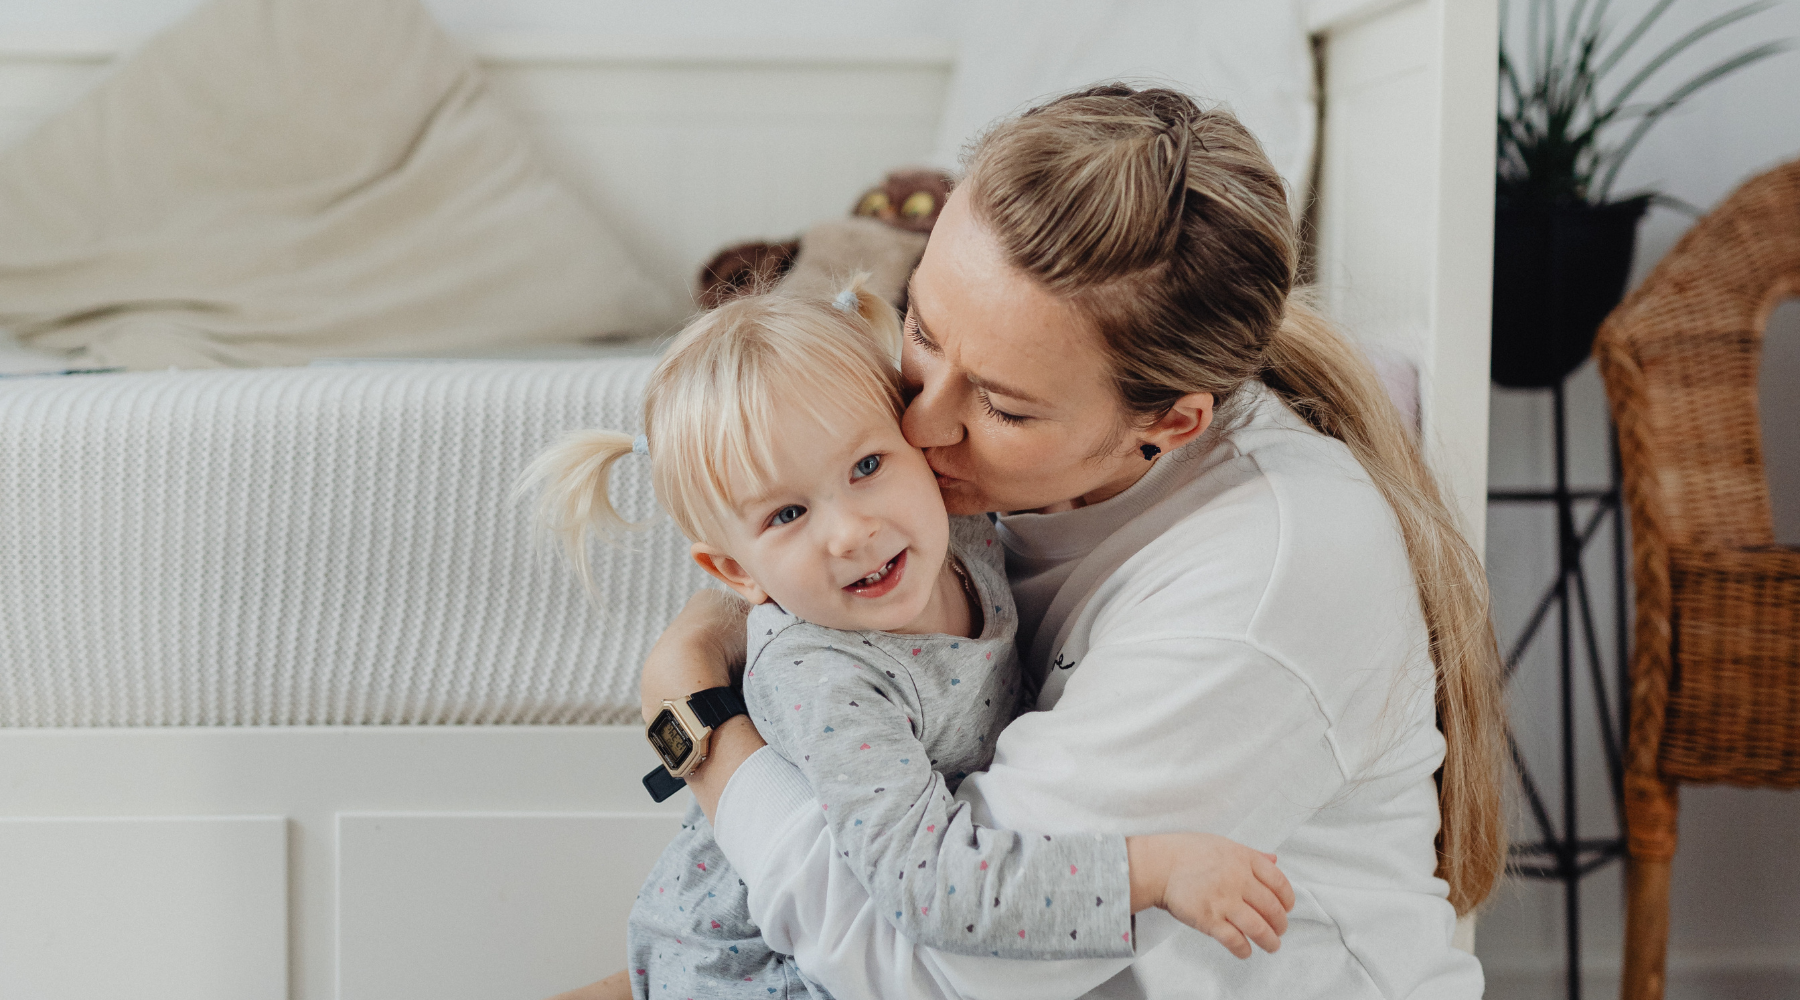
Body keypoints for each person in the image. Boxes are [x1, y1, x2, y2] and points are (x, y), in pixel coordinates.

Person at [630, 84, 1507, 999]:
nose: (922, 427)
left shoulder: (1261, 590)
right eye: (922, 328)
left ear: (1169, 422)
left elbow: (937, 968)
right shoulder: (994, 469)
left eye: (1003, 407)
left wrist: (699, 724)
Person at [525, 280, 1294, 1000]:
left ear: (913, 446)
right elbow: (931, 888)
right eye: (787, 515)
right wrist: (1148, 872)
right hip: (761, 970)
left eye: (866, 465)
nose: (852, 530)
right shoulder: (828, 676)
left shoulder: (963, 532)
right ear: (734, 570)